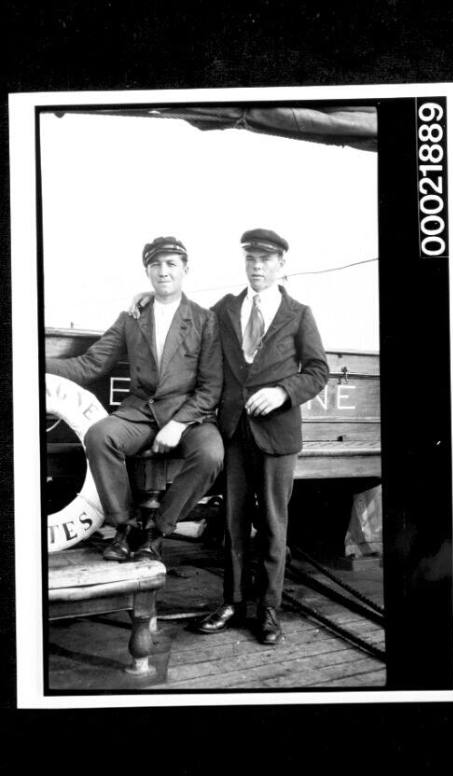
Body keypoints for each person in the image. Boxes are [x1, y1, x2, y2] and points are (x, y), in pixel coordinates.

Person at [46, 236, 224, 563]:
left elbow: (211, 387)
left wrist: (179, 424)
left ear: (186, 269)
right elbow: (89, 365)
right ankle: (125, 529)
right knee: (101, 436)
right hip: (140, 412)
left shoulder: (205, 320)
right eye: (155, 264)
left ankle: (156, 531)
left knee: (211, 455)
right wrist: (29, 359)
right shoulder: (132, 316)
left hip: (190, 416)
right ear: (147, 271)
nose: (163, 271)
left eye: (171, 264)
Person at [196, 228, 329, 645]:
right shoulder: (223, 309)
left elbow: (318, 371)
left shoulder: (299, 313)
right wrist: (144, 299)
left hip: (277, 434)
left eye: (266, 259)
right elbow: (189, 322)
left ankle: (269, 610)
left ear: (281, 265)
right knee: (234, 524)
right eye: (251, 258)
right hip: (235, 432)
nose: (257, 266)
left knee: (273, 524)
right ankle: (233, 601)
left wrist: (282, 392)